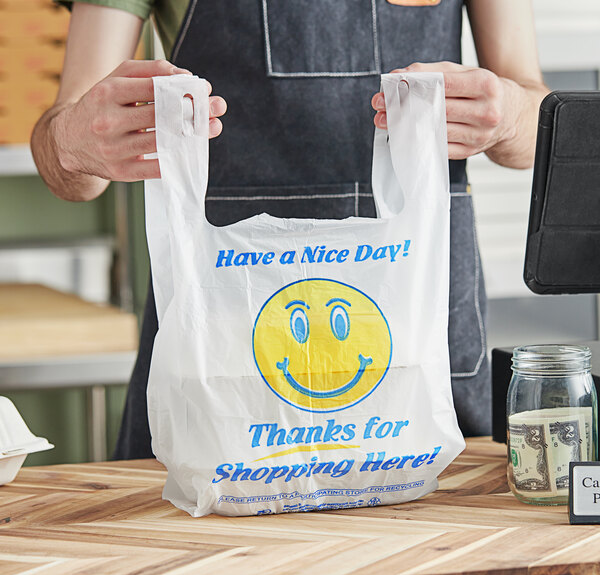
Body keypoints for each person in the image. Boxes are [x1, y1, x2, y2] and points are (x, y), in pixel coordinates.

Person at [31, 0, 549, 459]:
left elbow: (527, 135)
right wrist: (75, 142)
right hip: (227, 326)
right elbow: (69, 165)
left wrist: (511, 114)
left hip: (417, 320)